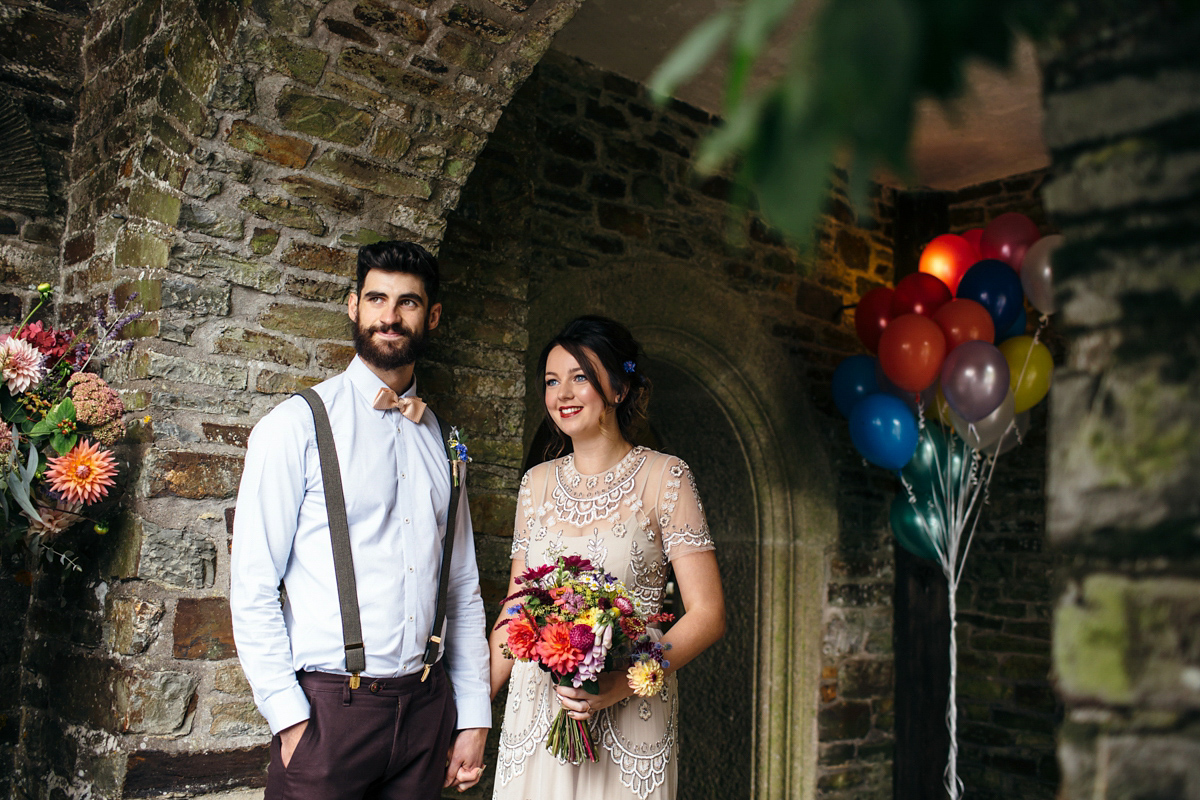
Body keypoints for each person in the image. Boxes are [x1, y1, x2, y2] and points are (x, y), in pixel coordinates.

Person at [230, 241, 490, 799]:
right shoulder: (296, 427)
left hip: (425, 713)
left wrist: (471, 716)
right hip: (329, 713)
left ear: (432, 316)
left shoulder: (446, 443)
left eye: (408, 303)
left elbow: (462, 588)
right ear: (354, 306)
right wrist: (291, 721)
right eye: (376, 299)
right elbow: (253, 586)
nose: (390, 317)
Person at [490, 316, 726, 800]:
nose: (563, 393)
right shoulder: (535, 485)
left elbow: (708, 614)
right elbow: (515, 611)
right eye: (552, 381)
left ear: (618, 388)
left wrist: (623, 681)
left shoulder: (666, 477)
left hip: (631, 710)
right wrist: (471, 715)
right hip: (538, 708)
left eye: (580, 376)